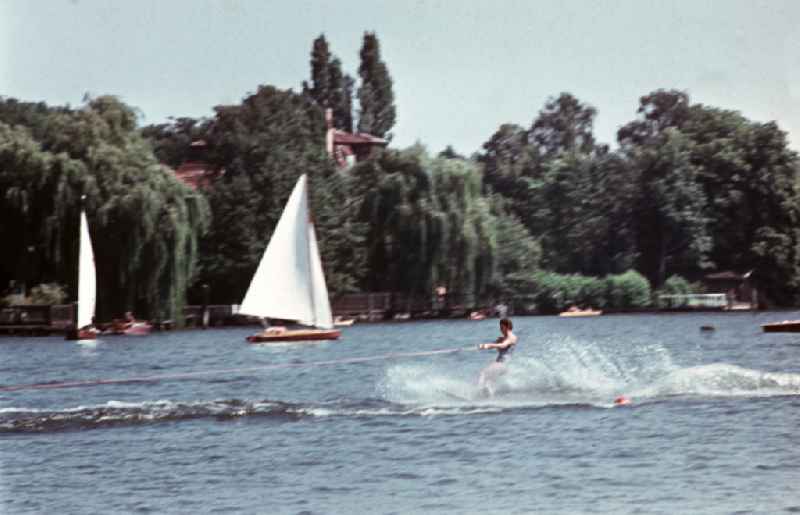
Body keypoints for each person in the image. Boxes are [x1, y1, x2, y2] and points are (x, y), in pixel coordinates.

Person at [477, 318, 517, 396]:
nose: (500, 330)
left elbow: (503, 345)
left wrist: (489, 345)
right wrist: (484, 346)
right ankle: (489, 397)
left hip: (502, 364)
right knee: (490, 381)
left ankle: (478, 393)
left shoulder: (512, 337)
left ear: (507, 326)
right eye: (500, 328)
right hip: (501, 364)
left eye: (502, 327)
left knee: (483, 373)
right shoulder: (503, 338)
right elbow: (498, 346)